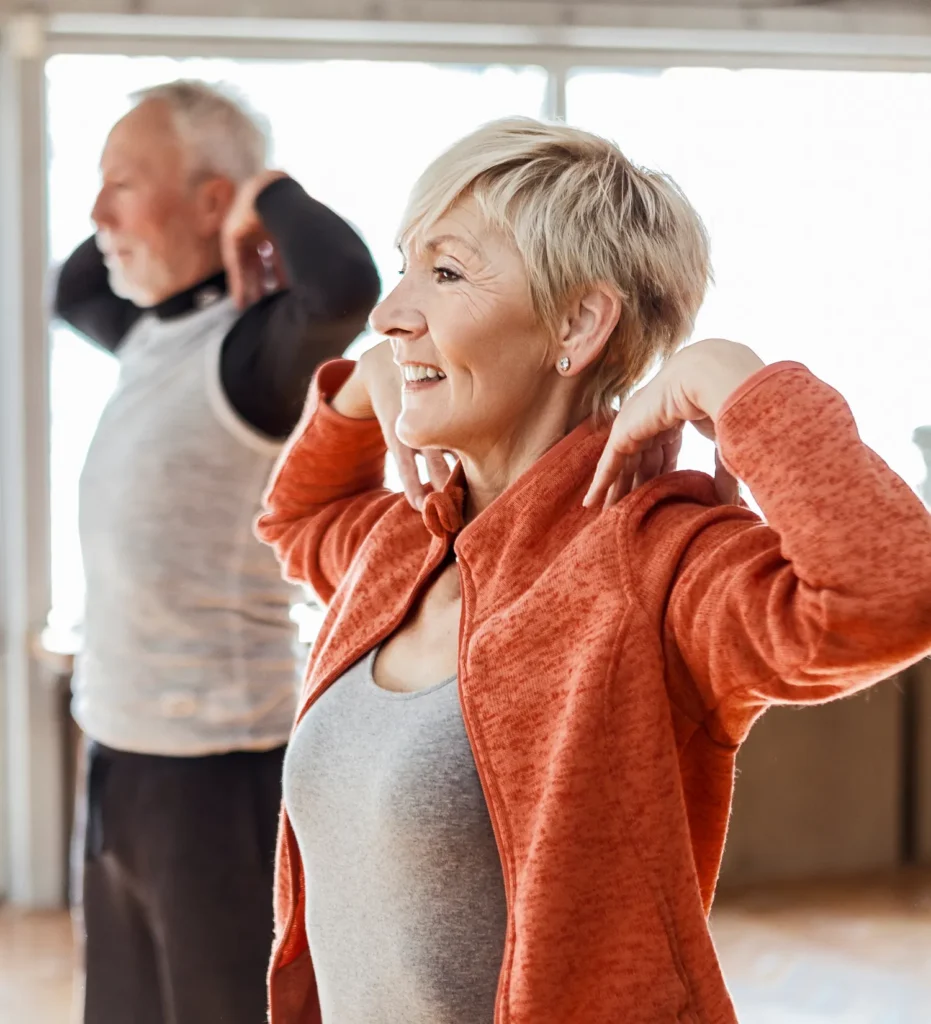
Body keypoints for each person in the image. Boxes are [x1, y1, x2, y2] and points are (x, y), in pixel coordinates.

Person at [256, 117, 931, 1024]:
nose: (389, 311)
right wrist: (357, 384)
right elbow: (296, 517)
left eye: (445, 274)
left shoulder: (658, 562)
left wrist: (735, 384)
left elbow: (889, 594)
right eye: (404, 265)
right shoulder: (402, 546)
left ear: (576, 322)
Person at [53, 80, 379, 1024]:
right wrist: (140, 193)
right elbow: (73, 284)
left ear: (209, 200)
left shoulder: (249, 355)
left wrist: (260, 189)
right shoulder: (150, 334)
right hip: (119, 751)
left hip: (221, 772)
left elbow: (345, 287)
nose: (97, 212)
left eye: (123, 183)